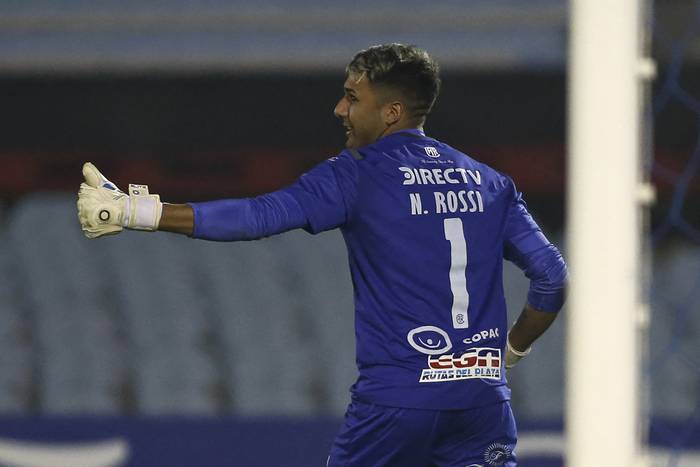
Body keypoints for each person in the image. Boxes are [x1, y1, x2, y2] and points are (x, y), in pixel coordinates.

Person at [77, 43, 567, 467]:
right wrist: (509, 353)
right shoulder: (490, 182)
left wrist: (137, 211)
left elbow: (257, 216)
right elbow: (551, 276)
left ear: (391, 112)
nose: (339, 108)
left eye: (353, 98)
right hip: (482, 401)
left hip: (397, 403)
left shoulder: (358, 173)